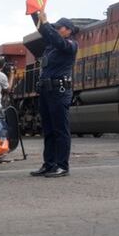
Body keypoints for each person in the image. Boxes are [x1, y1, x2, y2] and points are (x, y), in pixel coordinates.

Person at [30, 11, 78, 178]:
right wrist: (35, 14)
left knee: (60, 130)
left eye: (60, 27)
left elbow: (54, 37)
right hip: (46, 90)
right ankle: (49, 164)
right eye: (56, 27)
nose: (57, 30)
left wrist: (46, 22)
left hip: (59, 91)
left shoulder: (70, 45)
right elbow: (45, 30)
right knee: (49, 130)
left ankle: (62, 165)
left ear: (69, 30)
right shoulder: (51, 46)